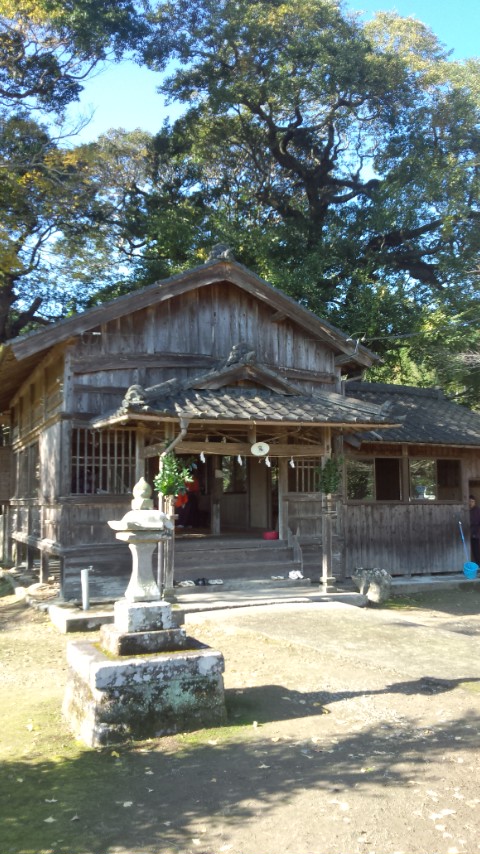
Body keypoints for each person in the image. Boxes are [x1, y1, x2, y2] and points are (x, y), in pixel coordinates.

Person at [469, 495, 480, 565]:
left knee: (476, 550)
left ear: (475, 502)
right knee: (472, 550)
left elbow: (477, 521)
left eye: (472, 501)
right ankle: (475, 565)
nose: (471, 503)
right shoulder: (468, 510)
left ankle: (478, 564)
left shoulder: (478, 510)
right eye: (470, 501)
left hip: (476, 533)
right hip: (470, 533)